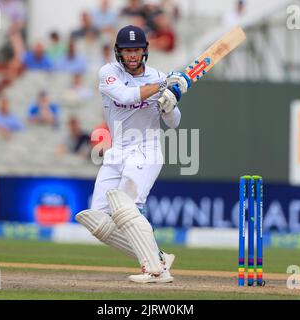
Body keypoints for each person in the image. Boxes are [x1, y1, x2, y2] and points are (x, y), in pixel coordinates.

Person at [75, 25, 191, 283]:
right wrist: (163, 85)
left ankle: (155, 270)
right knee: (98, 220)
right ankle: (158, 258)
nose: (132, 56)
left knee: (125, 208)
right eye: (127, 51)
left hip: (146, 149)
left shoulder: (158, 76)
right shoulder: (109, 73)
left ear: (144, 51)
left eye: (136, 50)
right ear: (118, 52)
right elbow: (126, 96)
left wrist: (169, 105)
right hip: (117, 151)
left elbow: (174, 123)